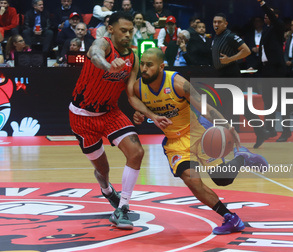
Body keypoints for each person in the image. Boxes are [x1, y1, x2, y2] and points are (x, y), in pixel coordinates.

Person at [132, 47, 268, 235]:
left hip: (196, 132)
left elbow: (205, 108)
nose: (144, 69)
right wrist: (139, 115)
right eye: (142, 64)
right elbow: (143, 107)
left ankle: (243, 157)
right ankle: (231, 218)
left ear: (161, 66)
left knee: (222, 179)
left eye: (149, 65)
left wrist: (228, 128)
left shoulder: (178, 83)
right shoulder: (139, 86)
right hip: (174, 141)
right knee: (193, 182)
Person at [69, 12, 168, 230]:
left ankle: (122, 207)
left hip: (111, 113)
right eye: (123, 30)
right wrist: (107, 66)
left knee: (137, 152)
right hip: (83, 117)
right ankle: (106, 189)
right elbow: (95, 55)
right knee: (102, 170)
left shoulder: (133, 58)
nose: (128, 34)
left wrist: (151, 115)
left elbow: (131, 95)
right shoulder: (102, 44)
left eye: (130, 31)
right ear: (111, 29)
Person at [211, 13, 269, 149]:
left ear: (226, 24)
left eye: (219, 22)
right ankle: (260, 131)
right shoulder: (216, 36)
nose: (216, 24)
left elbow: (247, 51)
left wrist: (230, 59)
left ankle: (226, 139)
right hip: (221, 75)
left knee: (228, 108)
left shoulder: (230, 36)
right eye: (214, 22)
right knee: (236, 106)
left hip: (230, 75)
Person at [257, 0, 290, 142]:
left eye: (268, 14)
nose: (265, 17)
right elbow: (263, 51)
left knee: (281, 102)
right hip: (267, 69)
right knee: (268, 101)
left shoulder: (278, 27)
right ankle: (270, 129)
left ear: (274, 16)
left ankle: (286, 131)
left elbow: (274, 19)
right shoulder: (266, 29)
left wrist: (263, 4)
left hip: (277, 70)